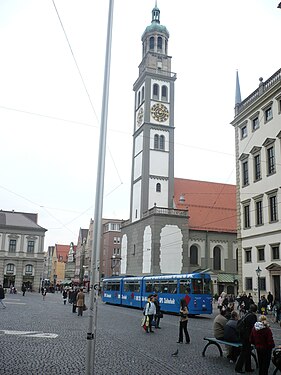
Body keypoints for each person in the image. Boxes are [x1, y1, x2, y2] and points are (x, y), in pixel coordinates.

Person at [235, 304, 257, 374]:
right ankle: (238, 367)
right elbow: (253, 327)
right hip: (247, 336)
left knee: (247, 352)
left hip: (244, 335)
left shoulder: (246, 314)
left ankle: (248, 367)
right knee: (244, 352)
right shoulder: (253, 316)